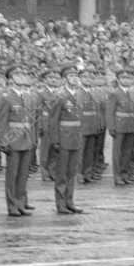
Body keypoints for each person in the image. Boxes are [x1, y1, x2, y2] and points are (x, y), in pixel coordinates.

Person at [0, 65, 36, 217]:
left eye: (23, 73)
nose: (23, 76)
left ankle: (20, 203)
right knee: (12, 175)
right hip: (13, 138)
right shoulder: (6, 97)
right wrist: (4, 141)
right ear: (11, 78)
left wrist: (32, 138)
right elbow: (2, 121)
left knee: (23, 174)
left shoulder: (26, 96)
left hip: (26, 138)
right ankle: (12, 205)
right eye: (18, 74)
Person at [48, 64, 86, 214]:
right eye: (71, 76)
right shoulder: (59, 95)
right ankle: (61, 203)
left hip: (75, 137)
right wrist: (55, 140)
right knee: (62, 174)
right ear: (64, 79)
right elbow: (53, 120)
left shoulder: (80, 94)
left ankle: (70, 201)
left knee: (72, 173)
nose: (74, 79)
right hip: (63, 138)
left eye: (76, 76)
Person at [107, 67, 134, 186]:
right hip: (119, 124)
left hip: (131, 124)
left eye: (128, 78)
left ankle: (125, 173)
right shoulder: (115, 93)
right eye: (123, 78)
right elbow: (110, 111)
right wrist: (111, 127)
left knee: (128, 151)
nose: (126, 80)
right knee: (118, 152)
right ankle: (117, 175)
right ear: (118, 79)